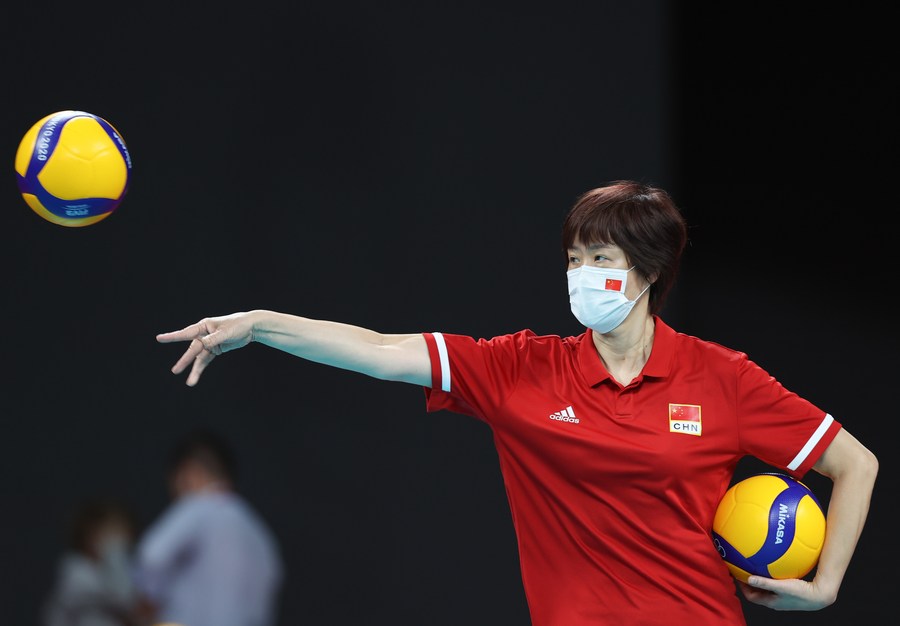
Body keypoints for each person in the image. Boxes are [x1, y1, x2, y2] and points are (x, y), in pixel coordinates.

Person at [156, 180, 877, 625]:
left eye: (600, 260)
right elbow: (379, 350)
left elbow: (855, 464)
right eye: (573, 259)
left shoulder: (723, 378)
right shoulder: (521, 369)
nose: (581, 275)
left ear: (650, 272)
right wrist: (261, 325)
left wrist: (825, 587)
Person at [131, 428, 284, 626]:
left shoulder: (199, 506)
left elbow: (151, 556)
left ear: (188, 473)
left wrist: (147, 601)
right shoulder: (257, 530)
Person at [41, 496, 139, 626]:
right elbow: (124, 598)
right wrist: (115, 553)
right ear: (88, 534)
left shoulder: (129, 570)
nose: (119, 539)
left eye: (122, 531)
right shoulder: (74, 570)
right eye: (111, 531)